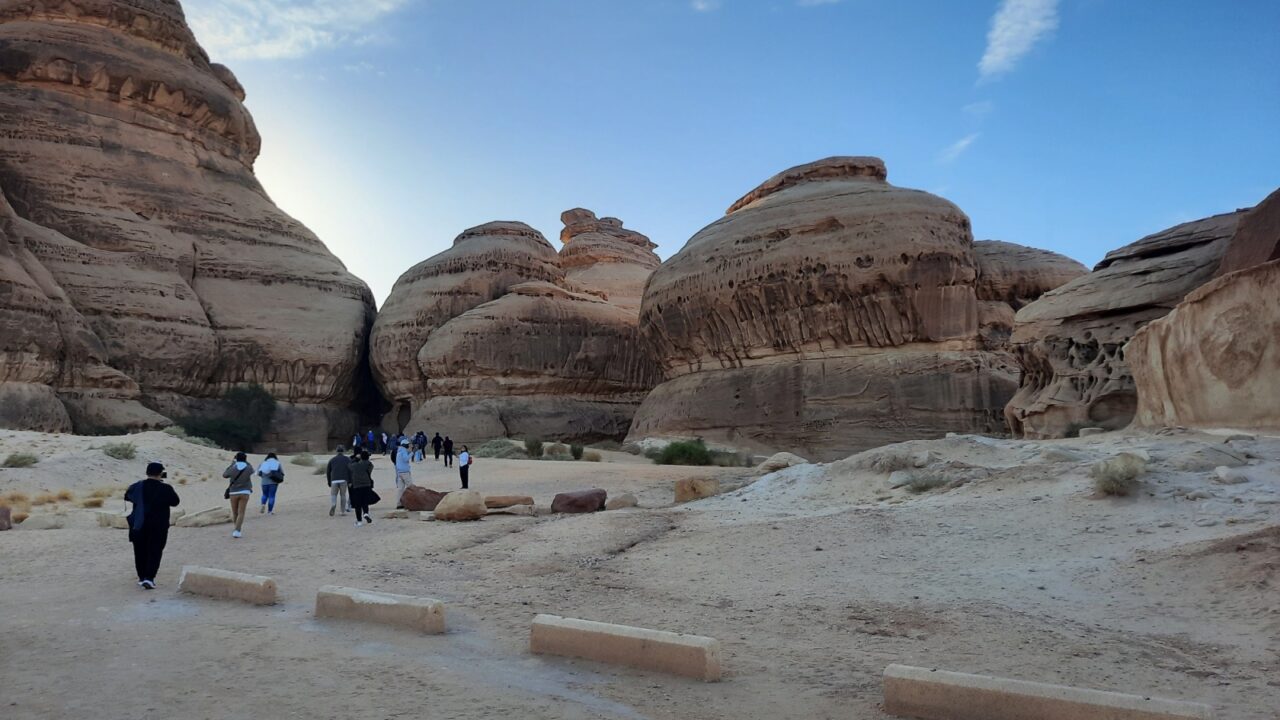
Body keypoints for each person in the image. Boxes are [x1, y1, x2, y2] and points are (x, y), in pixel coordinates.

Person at [124, 462, 180, 589]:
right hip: (158, 525)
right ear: (161, 473)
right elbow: (175, 502)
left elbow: (127, 497)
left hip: (139, 524)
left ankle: (141, 577)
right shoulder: (166, 488)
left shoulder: (136, 486)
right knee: (155, 551)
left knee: (139, 551)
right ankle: (149, 578)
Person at [222, 452, 254, 538]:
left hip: (233, 492)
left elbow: (225, 475)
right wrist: (246, 462)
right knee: (241, 512)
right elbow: (253, 471)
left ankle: (236, 529)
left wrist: (232, 463)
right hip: (245, 491)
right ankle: (237, 530)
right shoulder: (248, 467)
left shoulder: (233, 467)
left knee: (235, 512)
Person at [348, 450, 378, 526]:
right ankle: (366, 513)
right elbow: (369, 467)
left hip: (357, 486)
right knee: (365, 501)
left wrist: (355, 458)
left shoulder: (355, 465)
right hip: (367, 485)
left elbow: (349, 465)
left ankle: (359, 521)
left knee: (358, 504)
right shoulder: (369, 465)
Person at [326, 445, 352, 516]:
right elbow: (350, 471)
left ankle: (333, 504)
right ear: (343, 451)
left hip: (334, 480)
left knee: (333, 494)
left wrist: (329, 481)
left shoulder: (332, 459)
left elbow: (328, 471)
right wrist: (350, 481)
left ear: (336, 451)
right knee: (343, 495)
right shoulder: (347, 459)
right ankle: (342, 511)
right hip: (344, 479)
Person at [394, 437, 413, 508]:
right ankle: (412, 502)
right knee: (411, 487)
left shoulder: (398, 451)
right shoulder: (404, 451)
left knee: (400, 489)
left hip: (399, 472)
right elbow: (406, 459)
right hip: (405, 472)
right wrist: (411, 453)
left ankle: (399, 504)